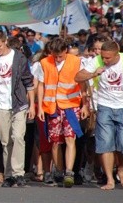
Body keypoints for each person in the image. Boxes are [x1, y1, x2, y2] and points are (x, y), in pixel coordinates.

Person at [75, 39, 123, 190]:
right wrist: (93, 73)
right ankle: (110, 179)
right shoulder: (96, 61)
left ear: (117, 54)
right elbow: (78, 77)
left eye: (108, 58)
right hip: (104, 106)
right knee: (105, 144)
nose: (104, 60)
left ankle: (121, 167)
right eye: (103, 57)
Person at [35, 37, 88, 188]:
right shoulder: (44, 63)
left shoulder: (76, 61)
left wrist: (85, 105)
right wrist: (40, 108)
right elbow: (41, 85)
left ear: (66, 51)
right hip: (52, 108)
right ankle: (58, 171)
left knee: (70, 138)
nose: (57, 59)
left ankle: (69, 172)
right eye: (55, 56)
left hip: (71, 106)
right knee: (56, 141)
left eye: (60, 56)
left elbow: (82, 83)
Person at [0, 29, 35, 188]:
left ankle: (18, 173)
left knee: (18, 137)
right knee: (5, 141)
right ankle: (8, 175)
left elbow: (29, 82)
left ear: (5, 41)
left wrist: (32, 104)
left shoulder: (19, 58)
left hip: (18, 103)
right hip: (0, 104)